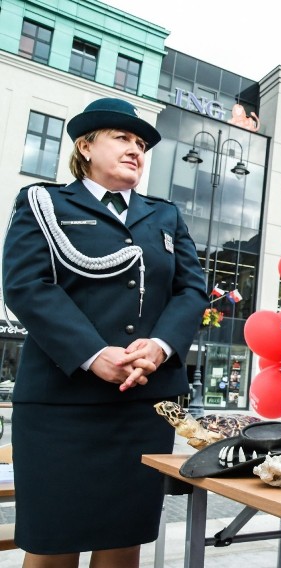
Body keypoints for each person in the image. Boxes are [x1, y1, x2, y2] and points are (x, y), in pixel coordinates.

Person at [2, 97, 208, 567]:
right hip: (63, 403)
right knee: (53, 544)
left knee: (122, 543)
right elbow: (26, 285)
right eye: (122, 138)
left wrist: (158, 347)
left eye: (141, 143)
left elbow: (191, 290)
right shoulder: (45, 203)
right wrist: (94, 354)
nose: (136, 149)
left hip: (141, 402)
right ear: (85, 146)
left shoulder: (165, 216)